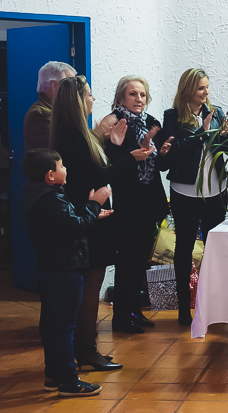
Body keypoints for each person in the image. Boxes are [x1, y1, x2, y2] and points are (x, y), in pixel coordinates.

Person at [50, 76, 151, 369]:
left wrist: (110, 145)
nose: (93, 99)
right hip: (89, 214)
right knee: (91, 285)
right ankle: (85, 348)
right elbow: (96, 177)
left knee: (90, 284)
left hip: (92, 212)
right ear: (77, 101)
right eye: (89, 95)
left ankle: (84, 347)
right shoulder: (74, 135)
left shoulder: (76, 133)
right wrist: (130, 158)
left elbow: (95, 169)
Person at [21, 149, 113, 397]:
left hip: (49, 268)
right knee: (64, 328)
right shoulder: (51, 198)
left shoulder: (37, 194)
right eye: (61, 166)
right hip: (65, 269)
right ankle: (70, 382)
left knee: (52, 324)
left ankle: (53, 375)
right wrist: (94, 204)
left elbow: (66, 222)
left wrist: (90, 213)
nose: (66, 169)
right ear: (50, 175)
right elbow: (76, 226)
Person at [104, 76, 172, 334]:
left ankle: (135, 310)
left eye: (142, 94)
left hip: (149, 202)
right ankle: (121, 317)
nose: (139, 99)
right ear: (121, 98)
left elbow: (160, 166)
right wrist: (136, 154)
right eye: (133, 94)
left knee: (141, 261)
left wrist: (161, 154)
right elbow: (112, 164)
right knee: (127, 261)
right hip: (128, 202)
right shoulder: (113, 123)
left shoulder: (152, 122)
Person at [161, 68, 228, 325]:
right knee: (184, 248)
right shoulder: (172, 116)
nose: (206, 92)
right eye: (201, 88)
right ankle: (183, 309)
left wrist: (225, 136)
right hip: (184, 191)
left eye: (207, 87)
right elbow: (174, 152)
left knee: (215, 248)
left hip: (215, 190)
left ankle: (215, 305)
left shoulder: (217, 113)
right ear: (188, 89)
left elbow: (227, 149)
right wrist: (202, 132)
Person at [23, 61, 76, 151]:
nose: (75, 90)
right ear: (54, 86)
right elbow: (66, 147)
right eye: (69, 84)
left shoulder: (56, 109)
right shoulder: (39, 114)